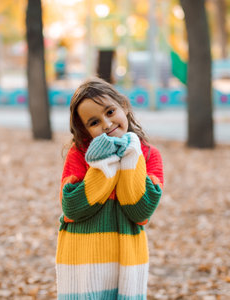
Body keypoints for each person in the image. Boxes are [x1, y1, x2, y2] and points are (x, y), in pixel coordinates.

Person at [56, 77, 164, 299]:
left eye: (110, 112)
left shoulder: (149, 155)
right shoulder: (79, 155)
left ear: (123, 105)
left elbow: (139, 211)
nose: (106, 124)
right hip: (84, 258)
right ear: (85, 131)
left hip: (126, 257)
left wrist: (131, 157)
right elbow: (72, 208)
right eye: (94, 123)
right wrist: (102, 161)